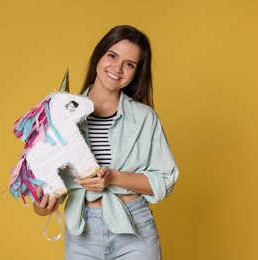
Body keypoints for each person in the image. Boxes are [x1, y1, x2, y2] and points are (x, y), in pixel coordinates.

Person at [33, 25, 179, 259]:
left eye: (129, 64)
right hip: (82, 234)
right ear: (99, 56)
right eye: (112, 56)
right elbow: (49, 187)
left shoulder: (144, 118)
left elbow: (165, 180)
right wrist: (43, 205)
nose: (118, 68)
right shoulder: (61, 114)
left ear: (136, 73)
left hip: (135, 230)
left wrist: (113, 178)